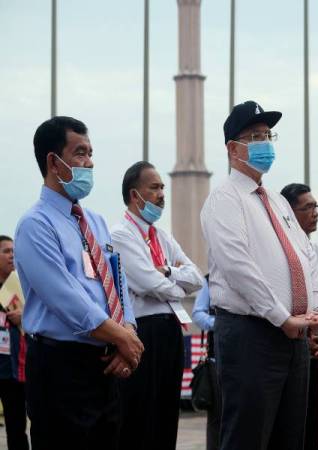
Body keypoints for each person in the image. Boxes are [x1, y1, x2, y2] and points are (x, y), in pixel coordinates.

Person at [201, 100, 318, 450]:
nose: (265, 143)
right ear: (232, 147)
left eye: (268, 135)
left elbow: (307, 257)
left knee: (290, 437)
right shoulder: (224, 200)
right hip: (251, 335)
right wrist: (280, 316)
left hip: (294, 337)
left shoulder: (277, 200)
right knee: (248, 436)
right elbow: (239, 268)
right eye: (255, 136)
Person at [14, 116, 143, 450]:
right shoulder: (35, 225)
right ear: (53, 162)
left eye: (90, 153)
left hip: (104, 367)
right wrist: (121, 338)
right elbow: (64, 297)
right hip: (61, 369)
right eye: (81, 153)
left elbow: (117, 281)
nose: (90, 162)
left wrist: (126, 330)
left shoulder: (96, 223)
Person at [111, 161, 203, 450]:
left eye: (162, 186)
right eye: (154, 187)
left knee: (165, 414)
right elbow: (146, 282)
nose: (162, 193)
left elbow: (196, 277)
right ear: (134, 194)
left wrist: (167, 271)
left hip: (170, 331)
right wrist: (172, 282)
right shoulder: (121, 234)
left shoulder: (162, 236)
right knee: (140, 416)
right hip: (143, 332)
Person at [281, 182, 318, 450]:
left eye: (316, 206)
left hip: (315, 349)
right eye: (307, 207)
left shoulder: (314, 250)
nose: (315, 212)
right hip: (290, 344)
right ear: (289, 213)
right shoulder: (281, 251)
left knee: (313, 425)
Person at [0, 236, 28, 450]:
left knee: (17, 427)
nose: (12, 255)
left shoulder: (24, 286)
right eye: (6, 251)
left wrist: (24, 317)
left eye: (13, 251)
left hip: (17, 369)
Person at [191, 277, 220, 450]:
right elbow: (198, 313)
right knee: (217, 419)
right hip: (217, 361)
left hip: (250, 360)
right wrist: (220, 324)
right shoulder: (210, 280)